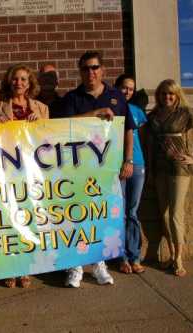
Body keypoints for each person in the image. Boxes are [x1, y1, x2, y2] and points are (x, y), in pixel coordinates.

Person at [55, 51, 137, 288]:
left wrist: (128, 160)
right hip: (78, 169)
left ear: (102, 69)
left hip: (109, 169)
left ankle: (99, 263)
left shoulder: (116, 97)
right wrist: (94, 114)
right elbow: (65, 128)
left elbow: (127, 130)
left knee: (102, 214)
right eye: (85, 69)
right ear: (79, 72)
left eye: (94, 67)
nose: (90, 72)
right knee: (77, 215)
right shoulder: (72, 97)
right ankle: (76, 265)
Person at [0, 63, 49, 288]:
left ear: (30, 82)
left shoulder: (41, 108)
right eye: (15, 79)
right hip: (7, 169)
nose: (19, 83)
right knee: (9, 218)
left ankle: (26, 268)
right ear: (9, 81)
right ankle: (10, 268)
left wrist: (39, 123)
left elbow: (48, 139)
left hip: (31, 170)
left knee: (29, 216)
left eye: (24, 79)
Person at [147, 79, 193, 277]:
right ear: (158, 95)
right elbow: (149, 144)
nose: (167, 97)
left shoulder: (185, 113)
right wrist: (150, 169)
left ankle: (179, 258)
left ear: (176, 95)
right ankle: (172, 252)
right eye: (163, 93)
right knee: (164, 214)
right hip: (159, 168)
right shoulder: (153, 115)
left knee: (176, 213)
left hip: (178, 167)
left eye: (171, 94)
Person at [114, 74, 147, 274]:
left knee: (133, 212)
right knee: (121, 213)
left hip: (138, 165)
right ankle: (122, 257)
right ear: (117, 88)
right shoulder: (112, 110)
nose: (127, 91)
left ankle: (135, 256)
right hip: (117, 166)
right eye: (124, 87)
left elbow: (142, 139)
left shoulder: (137, 112)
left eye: (131, 89)